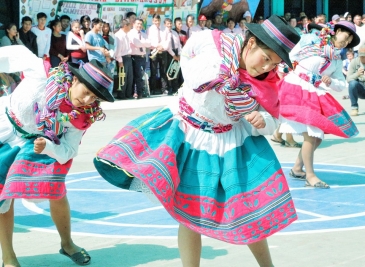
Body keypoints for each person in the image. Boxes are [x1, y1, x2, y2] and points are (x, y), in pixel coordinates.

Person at [93, 15, 301, 267]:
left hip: (231, 144)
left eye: (274, 64)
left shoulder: (264, 83)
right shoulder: (215, 51)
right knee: (190, 217)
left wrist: (261, 120)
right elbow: (191, 70)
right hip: (189, 136)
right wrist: (226, 78)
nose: (267, 67)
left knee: (249, 213)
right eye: (266, 58)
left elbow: (271, 119)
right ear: (251, 43)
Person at [0, 45, 114, 267]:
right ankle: (9, 257)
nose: (88, 99)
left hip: (36, 145)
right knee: (3, 198)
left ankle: (67, 243)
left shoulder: (81, 117)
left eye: (94, 97)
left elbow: (68, 151)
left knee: (56, 191)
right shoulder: (43, 75)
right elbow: (16, 54)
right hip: (3, 127)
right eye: (87, 91)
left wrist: (48, 147)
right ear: (74, 80)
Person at [278, 21, 360, 188]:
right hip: (298, 87)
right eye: (347, 35)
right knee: (311, 132)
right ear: (336, 31)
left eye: (350, 39)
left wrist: (330, 82)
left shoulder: (336, 59)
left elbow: (340, 84)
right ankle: (310, 176)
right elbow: (292, 55)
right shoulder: (311, 40)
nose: (348, 40)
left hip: (314, 92)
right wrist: (302, 72)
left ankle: (297, 168)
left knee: (317, 137)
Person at [129, 18, 151, 99]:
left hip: (143, 57)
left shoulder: (143, 34)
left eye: (141, 24)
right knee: (137, 76)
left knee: (141, 75)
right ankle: (137, 93)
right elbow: (136, 43)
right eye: (138, 24)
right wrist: (144, 43)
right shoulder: (131, 33)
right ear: (133, 24)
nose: (139, 26)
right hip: (135, 57)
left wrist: (142, 43)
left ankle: (140, 92)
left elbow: (149, 43)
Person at [346, 44, 365, 116]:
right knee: (352, 83)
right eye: (361, 56)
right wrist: (357, 74)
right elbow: (348, 78)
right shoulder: (354, 62)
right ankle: (354, 108)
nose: (363, 58)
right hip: (360, 88)